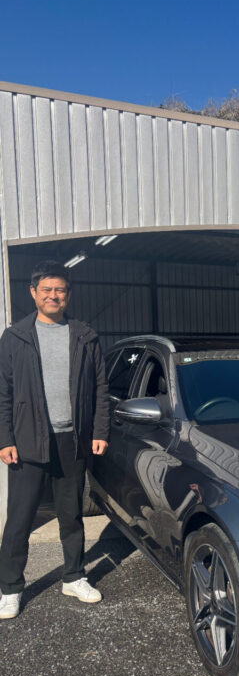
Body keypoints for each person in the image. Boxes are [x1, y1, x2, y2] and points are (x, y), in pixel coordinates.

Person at [0, 260, 110, 619]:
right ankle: (10, 587)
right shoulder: (15, 337)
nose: (53, 295)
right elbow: (3, 392)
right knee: (19, 519)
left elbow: (100, 388)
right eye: (46, 289)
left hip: (71, 440)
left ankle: (74, 576)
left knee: (71, 515)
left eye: (59, 290)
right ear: (33, 292)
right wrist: (5, 439)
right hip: (28, 442)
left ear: (68, 295)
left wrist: (99, 431)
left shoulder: (84, 336)